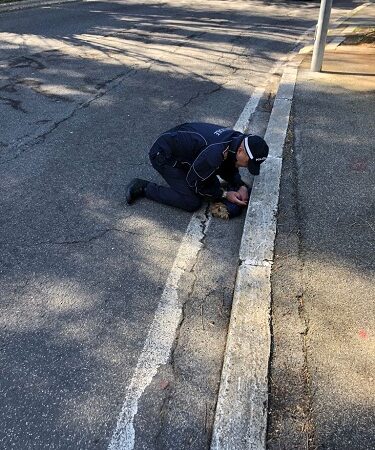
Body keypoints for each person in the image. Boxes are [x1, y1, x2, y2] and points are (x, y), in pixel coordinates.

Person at [126, 122, 269, 217]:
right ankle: (144, 188)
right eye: (248, 163)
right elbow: (195, 183)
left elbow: (228, 166)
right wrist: (224, 194)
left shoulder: (236, 140)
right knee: (191, 201)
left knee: (213, 179)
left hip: (184, 145)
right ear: (240, 151)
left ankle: (197, 168)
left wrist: (241, 186)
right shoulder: (215, 153)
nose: (246, 166)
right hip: (164, 155)